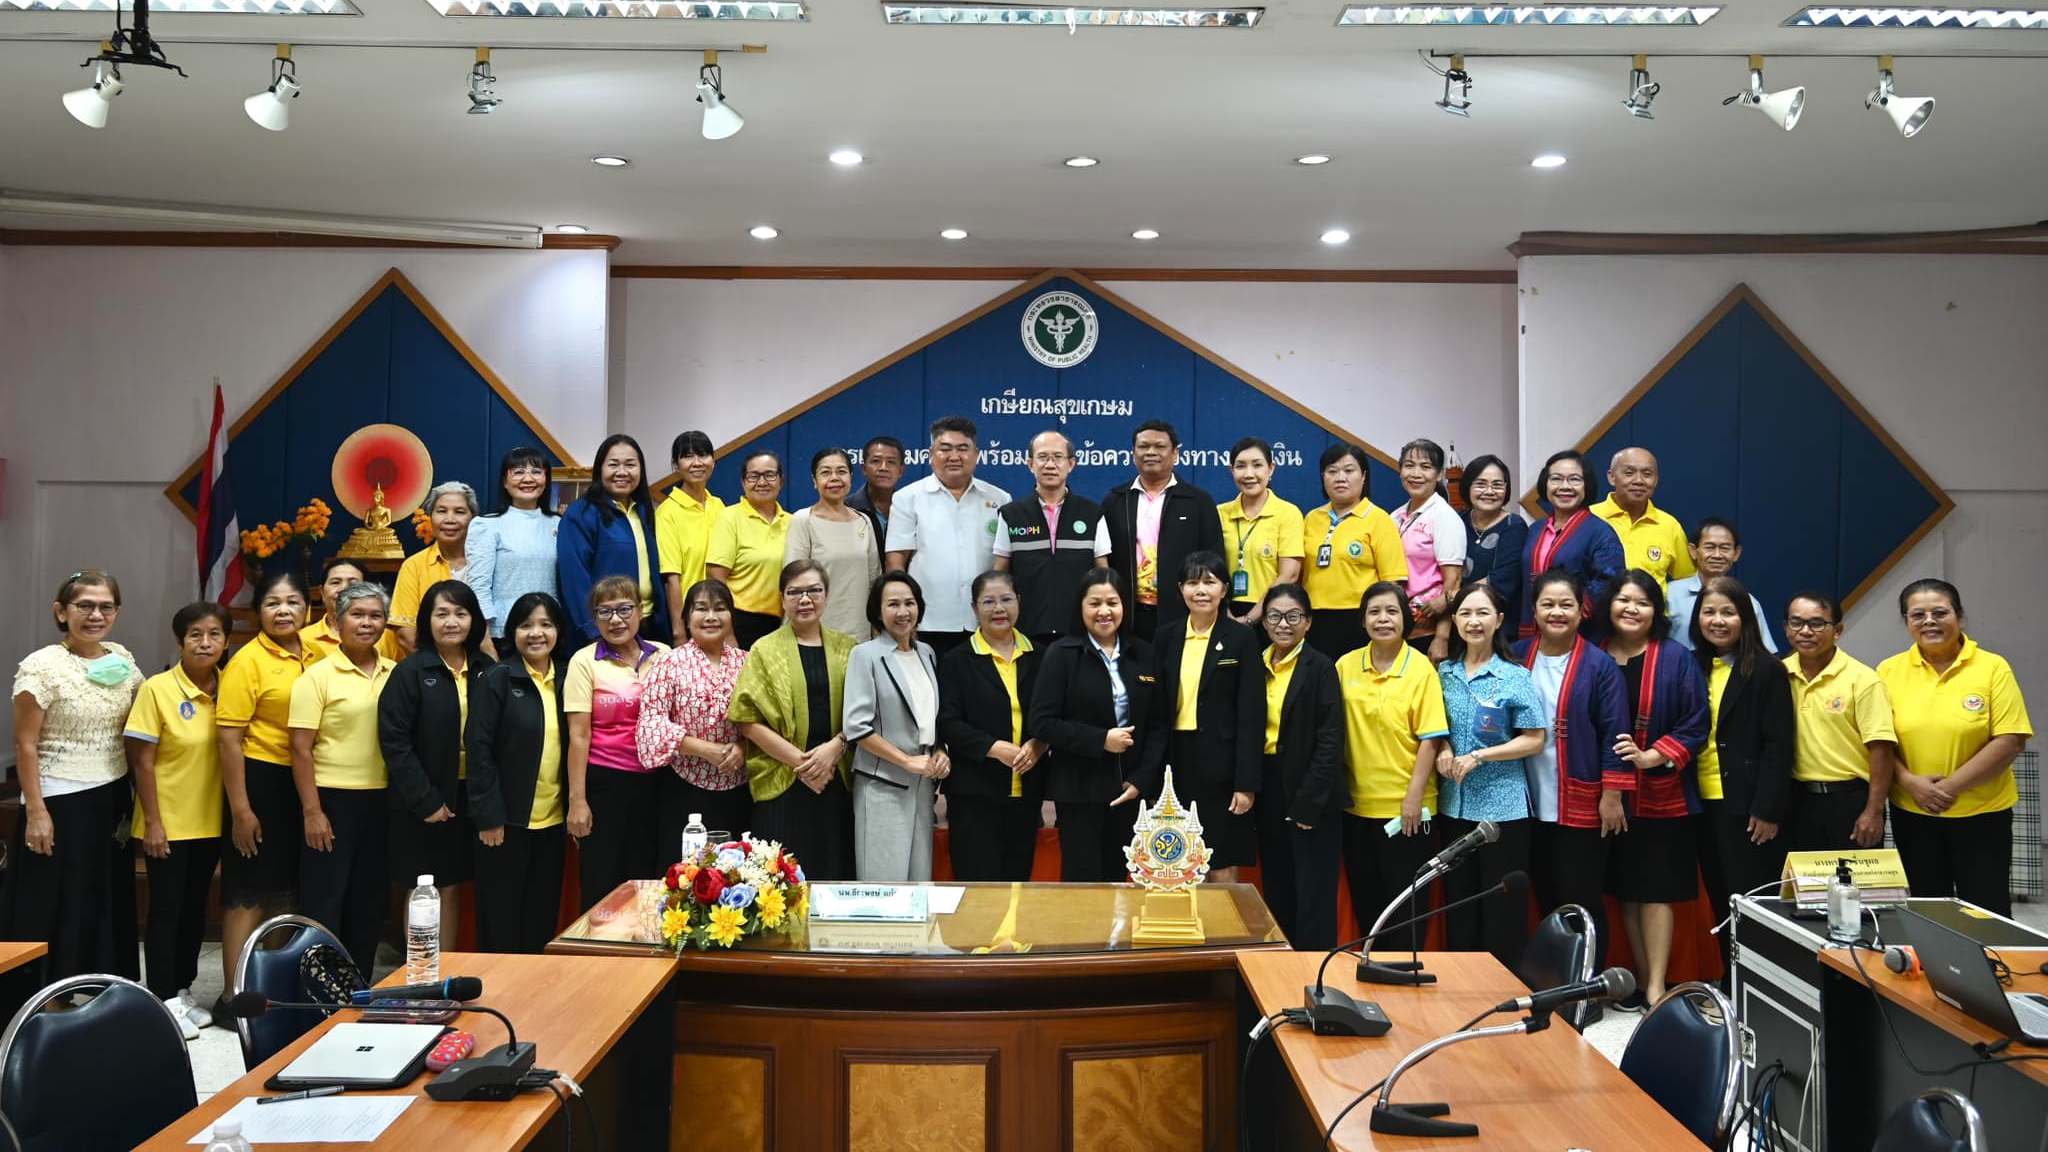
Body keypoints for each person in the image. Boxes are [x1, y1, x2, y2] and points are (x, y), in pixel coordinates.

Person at [7, 570, 143, 984]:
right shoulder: (42, 666)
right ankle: (49, 994)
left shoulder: (121, 658)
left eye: (105, 607)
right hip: (59, 800)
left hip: (112, 797)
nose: (95, 615)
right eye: (84, 606)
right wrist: (36, 811)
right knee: (55, 901)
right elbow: (25, 744)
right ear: (61, 612)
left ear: (117, 612)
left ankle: (100, 984)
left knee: (102, 895)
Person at [1878, 579, 2032, 916]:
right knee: (1928, 907)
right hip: (1913, 812)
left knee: (1986, 908)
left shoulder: (1992, 667)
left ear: (1959, 617)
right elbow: (1879, 742)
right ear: (1906, 622)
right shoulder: (1888, 671)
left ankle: (1991, 969)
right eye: (1917, 614)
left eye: (1940, 612)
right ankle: (1935, 970)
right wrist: (1910, 783)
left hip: (1982, 814)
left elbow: (2010, 740)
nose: (1929, 621)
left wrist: (1947, 788)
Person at [1511, 568, 1630, 973]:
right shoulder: (1516, 654)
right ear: (1534, 610)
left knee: (1581, 898)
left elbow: (1616, 733)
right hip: (1525, 798)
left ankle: (1588, 987)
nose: (1556, 612)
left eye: (1567, 605)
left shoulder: (1600, 666)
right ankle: (1553, 978)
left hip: (1580, 799)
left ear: (1582, 611)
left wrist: (1612, 795)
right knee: (1543, 893)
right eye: (1548, 604)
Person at [1602, 570, 1711, 1009]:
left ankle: (1657, 987)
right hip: (1608, 798)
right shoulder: (1593, 655)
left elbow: (1696, 723)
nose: (1631, 609)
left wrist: (1654, 755)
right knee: (1626, 890)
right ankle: (1644, 978)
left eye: (1642, 602)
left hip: (1662, 796)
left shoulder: (1674, 658)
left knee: (1656, 890)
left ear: (1656, 612)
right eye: (1623, 600)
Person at [215, 570, 315, 1016]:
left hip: (302, 782)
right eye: (273, 603)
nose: (283, 611)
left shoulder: (316, 652)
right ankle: (233, 996)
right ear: (258, 612)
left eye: (293, 602)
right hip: (259, 780)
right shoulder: (247, 661)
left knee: (285, 892)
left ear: (307, 609)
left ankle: (270, 991)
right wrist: (241, 809)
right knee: (247, 891)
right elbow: (228, 739)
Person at [1131, 551, 1263, 882]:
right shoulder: (1166, 636)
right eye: (1192, 582)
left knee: (1220, 860)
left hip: (1222, 766)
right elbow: (1155, 709)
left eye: (1209, 582)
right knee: (1176, 858)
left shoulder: (1241, 637)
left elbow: (1251, 714)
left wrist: (1246, 783)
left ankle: (1224, 935)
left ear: (1224, 589)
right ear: (1180, 589)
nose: (1200, 590)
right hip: (1174, 761)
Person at [1434, 583, 1544, 969]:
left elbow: (1534, 739)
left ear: (1498, 621)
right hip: (1454, 805)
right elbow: (1435, 728)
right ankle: (1462, 986)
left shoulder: (1514, 676)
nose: (1473, 621)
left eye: (1482, 613)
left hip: (1503, 810)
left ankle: (1503, 989)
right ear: (1454, 621)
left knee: (1502, 909)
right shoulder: (1443, 673)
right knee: (1460, 906)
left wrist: (1480, 755)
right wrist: (1445, 750)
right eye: (1465, 613)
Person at [288, 581, 396, 970]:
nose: (367, 623)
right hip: (331, 799)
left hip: (382, 800)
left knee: (369, 898)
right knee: (326, 897)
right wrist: (312, 812)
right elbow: (300, 748)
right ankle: (320, 986)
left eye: (375, 615)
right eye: (357, 614)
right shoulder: (317, 677)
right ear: (336, 620)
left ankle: (358, 983)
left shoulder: (394, 673)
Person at [126, 602, 229, 1012]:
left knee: (195, 906)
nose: (205, 643)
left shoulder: (231, 686)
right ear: (180, 642)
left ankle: (184, 989)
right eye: (195, 636)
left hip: (211, 821)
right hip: (167, 821)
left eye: (214, 634)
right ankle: (163, 996)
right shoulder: (158, 689)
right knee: (166, 909)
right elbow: (141, 760)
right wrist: (152, 822)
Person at [379, 579, 491, 947]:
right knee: (424, 887)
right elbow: (395, 742)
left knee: (453, 884)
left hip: (469, 798)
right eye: (441, 614)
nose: (452, 622)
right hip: (423, 801)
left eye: (461, 613)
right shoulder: (409, 672)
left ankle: (446, 973)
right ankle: (420, 975)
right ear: (426, 620)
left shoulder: (486, 669)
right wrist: (425, 800)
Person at [1334, 581, 1447, 945]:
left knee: (1405, 909)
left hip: (1407, 810)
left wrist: (1413, 797)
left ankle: (1403, 987)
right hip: (1356, 806)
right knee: (1368, 904)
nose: (1383, 619)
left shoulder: (1421, 669)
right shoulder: (1345, 665)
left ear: (1405, 619)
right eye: (1374, 612)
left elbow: (1431, 738)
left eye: (1392, 611)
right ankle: (1371, 983)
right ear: (1363, 620)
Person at [1690, 575, 1795, 964]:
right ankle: (1729, 983)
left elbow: (1779, 745)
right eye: (1709, 612)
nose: (1718, 620)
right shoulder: (1694, 664)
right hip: (1702, 802)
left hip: (1748, 807)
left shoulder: (1767, 669)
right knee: (1718, 897)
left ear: (1745, 619)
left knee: (1749, 899)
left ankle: (1754, 986)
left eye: (1728, 612)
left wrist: (1768, 809)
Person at [730, 561, 858, 879]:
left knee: (833, 875)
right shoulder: (764, 649)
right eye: (795, 592)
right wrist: (804, 764)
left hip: (835, 777)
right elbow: (747, 720)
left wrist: (834, 750)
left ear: (826, 595)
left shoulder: (849, 649)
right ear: (783, 599)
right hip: (782, 779)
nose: (805, 599)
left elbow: (864, 715)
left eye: (814, 590)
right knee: (781, 884)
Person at [1031, 570, 1161, 882]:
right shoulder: (1061, 654)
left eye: (1112, 603)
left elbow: (1158, 724)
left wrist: (1141, 780)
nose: (1104, 611)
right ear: (1081, 608)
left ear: (1124, 606)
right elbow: (1042, 722)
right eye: (1095, 603)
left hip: (1128, 791)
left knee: (1120, 880)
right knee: (1082, 881)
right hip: (1078, 789)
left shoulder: (1144, 653)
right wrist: (1100, 739)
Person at [466, 592, 571, 953]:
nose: (536, 633)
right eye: (526, 625)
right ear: (512, 632)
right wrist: (489, 815)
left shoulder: (570, 676)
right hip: (505, 824)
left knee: (541, 918)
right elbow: (478, 751)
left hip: (553, 822)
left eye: (545, 624)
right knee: (502, 920)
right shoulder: (496, 678)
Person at [1249, 583, 1346, 950]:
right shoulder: (1255, 663)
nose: (1283, 624)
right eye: (1274, 616)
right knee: (1277, 887)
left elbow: (1330, 740)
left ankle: (1314, 983)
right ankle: (1280, 975)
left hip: (1311, 792)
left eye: (1293, 616)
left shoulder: (1321, 667)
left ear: (1308, 622)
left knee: (1313, 895)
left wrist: (1310, 802)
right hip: (1269, 786)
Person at [564, 576, 670, 909]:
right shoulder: (585, 661)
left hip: (658, 783)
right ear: (594, 619)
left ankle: (647, 958)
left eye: (624, 609)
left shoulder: (664, 655)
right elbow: (579, 736)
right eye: (605, 612)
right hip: (606, 783)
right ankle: (600, 959)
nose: (616, 619)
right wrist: (577, 801)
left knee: (650, 879)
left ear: (641, 611)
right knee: (602, 882)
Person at [938, 571, 1048, 881]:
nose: (998, 608)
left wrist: (1039, 743)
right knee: (978, 885)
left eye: (1006, 600)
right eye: (988, 601)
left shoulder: (1041, 656)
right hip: (974, 791)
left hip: (1026, 790)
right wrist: (992, 748)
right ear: (974, 608)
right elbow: (947, 722)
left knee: (1018, 882)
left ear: (1019, 603)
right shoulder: (957, 659)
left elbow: (1053, 714)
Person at [637, 578, 752, 861]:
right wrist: (706, 750)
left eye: (720, 608)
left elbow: (768, 720)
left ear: (731, 617)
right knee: (687, 880)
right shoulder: (669, 662)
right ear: (687, 617)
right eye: (701, 609)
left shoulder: (748, 662)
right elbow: (650, 726)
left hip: (741, 787)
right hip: (684, 789)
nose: (711, 617)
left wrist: (743, 747)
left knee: (740, 877)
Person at [842, 573, 945, 881]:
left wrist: (940, 751)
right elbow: (856, 727)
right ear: (878, 610)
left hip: (923, 785)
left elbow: (930, 717)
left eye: (909, 603)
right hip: (882, 784)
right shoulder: (865, 655)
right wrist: (906, 761)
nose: (903, 612)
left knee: (919, 884)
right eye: (893, 604)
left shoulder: (927, 653)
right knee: (884, 887)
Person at [1783, 591, 1897, 852]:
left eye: (1817, 623)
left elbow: (1882, 749)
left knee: (1855, 890)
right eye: (1796, 622)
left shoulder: (1863, 679)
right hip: (1795, 802)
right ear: (1786, 628)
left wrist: (1874, 810)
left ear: (1837, 630)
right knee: (1805, 890)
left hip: (1851, 801)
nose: (1806, 631)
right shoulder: (1779, 674)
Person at [886, 416, 1010, 655]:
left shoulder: (999, 499)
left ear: (976, 454)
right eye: (945, 449)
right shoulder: (907, 498)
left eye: (963, 449)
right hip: (927, 623)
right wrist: (904, 618)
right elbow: (896, 562)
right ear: (931, 454)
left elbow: (1004, 563)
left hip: (983, 623)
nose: (954, 456)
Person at [1101, 420, 1224, 641]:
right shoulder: (1116, 500)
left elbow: (1214, 558)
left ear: (1175, 453)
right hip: (1129, 615)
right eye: (1144, 446)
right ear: (1133, 453)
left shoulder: (1198, 501)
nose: (1151, 452)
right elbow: (1104, 559)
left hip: (1183, 614)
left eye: (1159, 446)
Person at [994, 430, 1110, 644]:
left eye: (1058, 457)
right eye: (1043, 457)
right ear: (1030, 464)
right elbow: (1000, 572)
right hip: (1026, 630)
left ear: (1071, 464)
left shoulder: (1092, 513)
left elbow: (1103, 573)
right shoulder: (1011, 514)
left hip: (1080, 630)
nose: (1050, 465)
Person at [559, 434, 669, 646]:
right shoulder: (580, 514)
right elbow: (574, 580)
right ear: (600, 469)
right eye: (613, 465)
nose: (622, 472)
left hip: (647, 626)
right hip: (607, 631)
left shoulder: (642, 512)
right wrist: (594, 632)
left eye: (630, 465)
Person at [1302, 443, 1407, 660]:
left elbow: (1392, 583)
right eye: (1332, 471)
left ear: (1364, 476)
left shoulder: (1379, 520)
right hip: (1314, 620)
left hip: (1360, 620)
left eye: (1349, 470)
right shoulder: (1311, 518)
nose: (1340, 477)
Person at [1518, 450, 1625, 639]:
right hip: (1532, 633)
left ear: (1587, 485)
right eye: (1556, 479)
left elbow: (1609, 585)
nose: (1565, 486)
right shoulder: (1535, 529)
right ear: (1545, 484)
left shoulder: (1601, 533)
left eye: (1574, 479)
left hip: (1580, 635)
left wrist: (1562, 615)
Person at [467, 446, 561, 648]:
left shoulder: (559, 524)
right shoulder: (487, 525)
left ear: (546, 480)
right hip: (504, 633)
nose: (528, 479)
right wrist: (485, 640)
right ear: (505, 482)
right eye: (518, 472)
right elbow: (478, 588)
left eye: (536, 472)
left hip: (551, 629)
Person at [785, 448, 883, 640]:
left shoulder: (864, 521)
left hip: (859, 632)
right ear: (814, 481)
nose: (834, 478)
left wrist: (876, 627)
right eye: (825, 472)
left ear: (851, 477)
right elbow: (793, 582)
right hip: (814, 632)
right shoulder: (803, 520)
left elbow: (874, 581)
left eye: (841, 471)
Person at [707, 450, 793, 650]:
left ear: (781, 480)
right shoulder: (729, 517)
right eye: (754, 476)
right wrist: (728, 632)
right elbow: (716, 578)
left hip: (783, 623)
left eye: (770, 475)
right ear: (743, 482)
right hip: (740, 622)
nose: (762, 482)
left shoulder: (792, 522)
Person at [1392, 439, 1467, 660]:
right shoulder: (1394, 517)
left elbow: (1453, 584)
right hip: (1397, 626)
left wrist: (1442, 638)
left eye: (1425, 467)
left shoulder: (1444, 517)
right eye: (1409, 465)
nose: (1416, 473)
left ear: (1438, 474)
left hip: (1428, 629)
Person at [1218, 437, 1305, 625]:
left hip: (1273, 613)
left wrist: (1250, 619)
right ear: (1231, 470)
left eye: (1257, 465)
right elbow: (1211, 571)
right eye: (1240, 466)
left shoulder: (1288, 513)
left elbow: (1289, 575)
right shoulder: (1219, 514)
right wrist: (1226, 613)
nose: (1249, 474)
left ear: (1271, 469)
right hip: (1225, 612)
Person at [390, 481, 478, 653]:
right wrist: (441, 669)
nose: (449, 519)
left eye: (459, 512)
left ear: (473, 519)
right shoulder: (414, 566)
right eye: (441, 511)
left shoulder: (488, 562)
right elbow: (404, 633)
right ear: (431, 517)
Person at [656, 430, 725, 643]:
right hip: (691, 621)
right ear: (676, 465)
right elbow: (671, 578)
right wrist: (679, 633)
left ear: (713, 461)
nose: (697, 463)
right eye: (687, 456)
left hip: (721, 618)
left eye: (703, 455)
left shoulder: (720, 506)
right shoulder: (667, 512)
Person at [1667, 518, 1776, 653]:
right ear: (1693, 551)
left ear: (1736, 553)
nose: (1717, 555)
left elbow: (1765, 654)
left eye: (1725, 548)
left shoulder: (1748, 602)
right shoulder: (1668, 595)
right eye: (1710, 547)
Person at [1591, 447, 1693, 590]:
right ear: (1612, 477)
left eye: (1647, 474)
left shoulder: (1669, 525)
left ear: (1656, 480)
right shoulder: (1589, 518)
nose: (1638, 480)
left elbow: (1687, 581)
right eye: (1629, 473)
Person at [1459, 454, 1528, 615]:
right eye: (1480, 484)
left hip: (1500, 620)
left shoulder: (1514, 526)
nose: (1489, 491)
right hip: (1459, 618)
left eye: (1497, 485)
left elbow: (1501, 580)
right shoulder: (1457, 521)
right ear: (1467, 487)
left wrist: (1450, 598)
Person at [303, 558, 403, 662]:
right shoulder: (303, 638)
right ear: (322, 592)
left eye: (353, 583)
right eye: (335, 582)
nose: (344, 589)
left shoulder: (386, 637)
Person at [847, 434, 905, 546]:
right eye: (876, 461)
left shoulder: (909, 509)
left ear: (901, 471)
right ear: (864, 468)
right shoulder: (847, 508)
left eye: (891, 462)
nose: (883, 467)